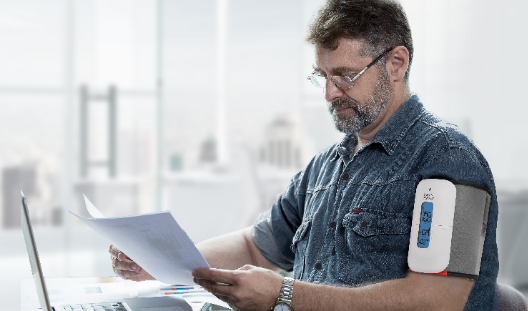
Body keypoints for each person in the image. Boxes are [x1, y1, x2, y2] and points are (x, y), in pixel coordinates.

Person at [109, 0, 499, 310]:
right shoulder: (326, 167)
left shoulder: (450, 161)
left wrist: (285, 295)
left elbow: (439, 301)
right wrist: (160, 263)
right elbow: (254, 247)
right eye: (322, 76)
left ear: (396, 63)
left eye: (345, 76)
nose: (329, 93)